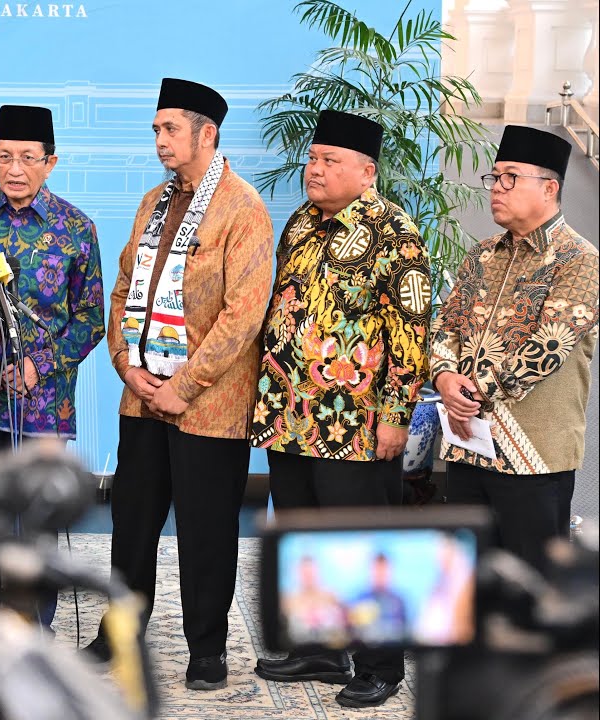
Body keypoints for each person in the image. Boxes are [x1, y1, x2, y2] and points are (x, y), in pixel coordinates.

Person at [81, 78, 275, 692]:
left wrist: (184, 386)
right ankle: (119, 633)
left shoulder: (243, 207)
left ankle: (207, 650)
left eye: (171, 129)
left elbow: (244, 314)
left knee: (206, 529)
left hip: (209, 404)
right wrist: (125, 364)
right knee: (131, 524)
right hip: (141, 396)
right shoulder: (153, 202)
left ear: (206, 133)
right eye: (156, 130)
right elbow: (121, 290)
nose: (160, 140)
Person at [250, 110, 432, 709]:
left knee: (362, 543)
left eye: (330, 160)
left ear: (366, 172)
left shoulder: (394, 232)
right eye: (313, 158)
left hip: (354, 423)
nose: (315, 169)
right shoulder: (302, 222)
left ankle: (382, 664)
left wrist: (396, 414)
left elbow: (410, 330)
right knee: (305, 537)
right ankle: (324, 650)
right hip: (291, 416)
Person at [0, 105, 105, 627]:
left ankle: (33, 626)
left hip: (43, 405)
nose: (15, 169)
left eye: (28, 158)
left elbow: (90, 319)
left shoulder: (76, 228)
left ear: (50, 162)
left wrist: (39, 366)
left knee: (34, 521)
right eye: (4, 157)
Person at [431, 125, 598, 572]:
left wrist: (468, 392)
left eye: (511, 177)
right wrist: (444, 377)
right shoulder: (481, 255)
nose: (496, 188)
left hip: (533, 455)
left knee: (530, 584)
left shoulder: (580, 261)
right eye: (494, 177)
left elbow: (549, 347)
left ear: (549, 188)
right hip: (469, 444)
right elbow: (445, 324)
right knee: (466, 578)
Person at [283, 556, 349, 644]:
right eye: (304, 573)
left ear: (317, 572)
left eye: (310, 572)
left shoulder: (331, 596)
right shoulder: (289, 601)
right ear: (297, 574)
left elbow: (345, 625)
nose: (308, 576)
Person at [346, 554, 408, 644]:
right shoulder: (359, 600)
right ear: (371, 571)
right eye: (377, 571)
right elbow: (351, 631)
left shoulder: (398, 602)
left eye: (383, 571)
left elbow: (404, 633)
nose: (380, 575)